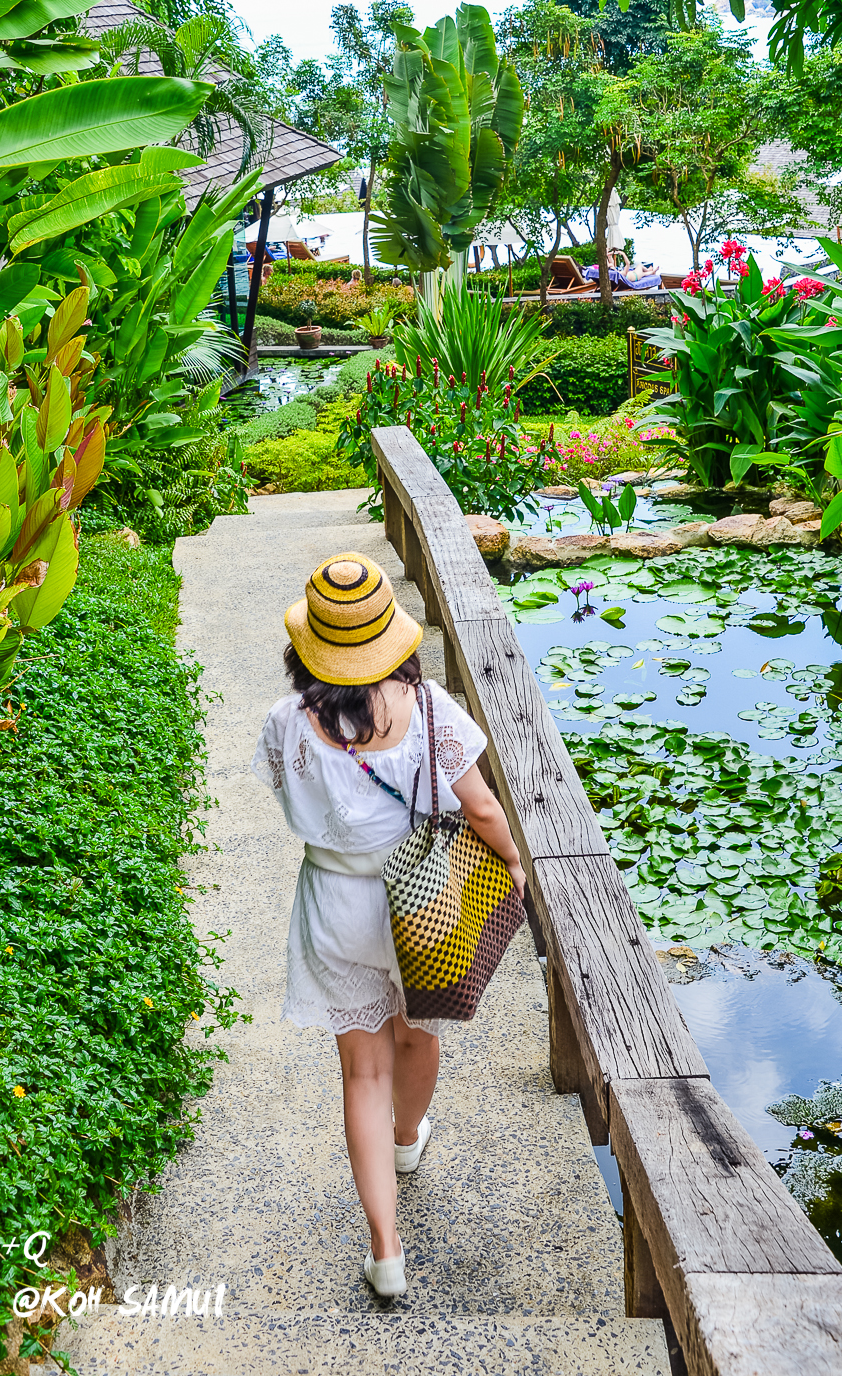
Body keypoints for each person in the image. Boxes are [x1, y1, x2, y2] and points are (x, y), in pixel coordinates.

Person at [252, 553, 525, 1300]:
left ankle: (385, 1250)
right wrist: (514, 867)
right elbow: (483, 809)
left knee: (361, 1072)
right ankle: (409, 1140)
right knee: (419, 1033)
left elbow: (287, 799)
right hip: (424, 902)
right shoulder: (429, 711)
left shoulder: (288, 722)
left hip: (335, 907)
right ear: (388, 638)